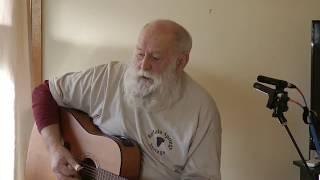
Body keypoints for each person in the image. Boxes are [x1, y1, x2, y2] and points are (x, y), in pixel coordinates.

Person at [32, 19, 222, 180]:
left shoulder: (201, 109)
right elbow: (44, 93)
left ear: (181, 62)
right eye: (139, 53)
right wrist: (55, 148)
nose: (143, 65)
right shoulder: (108, 77)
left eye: (155, 58)